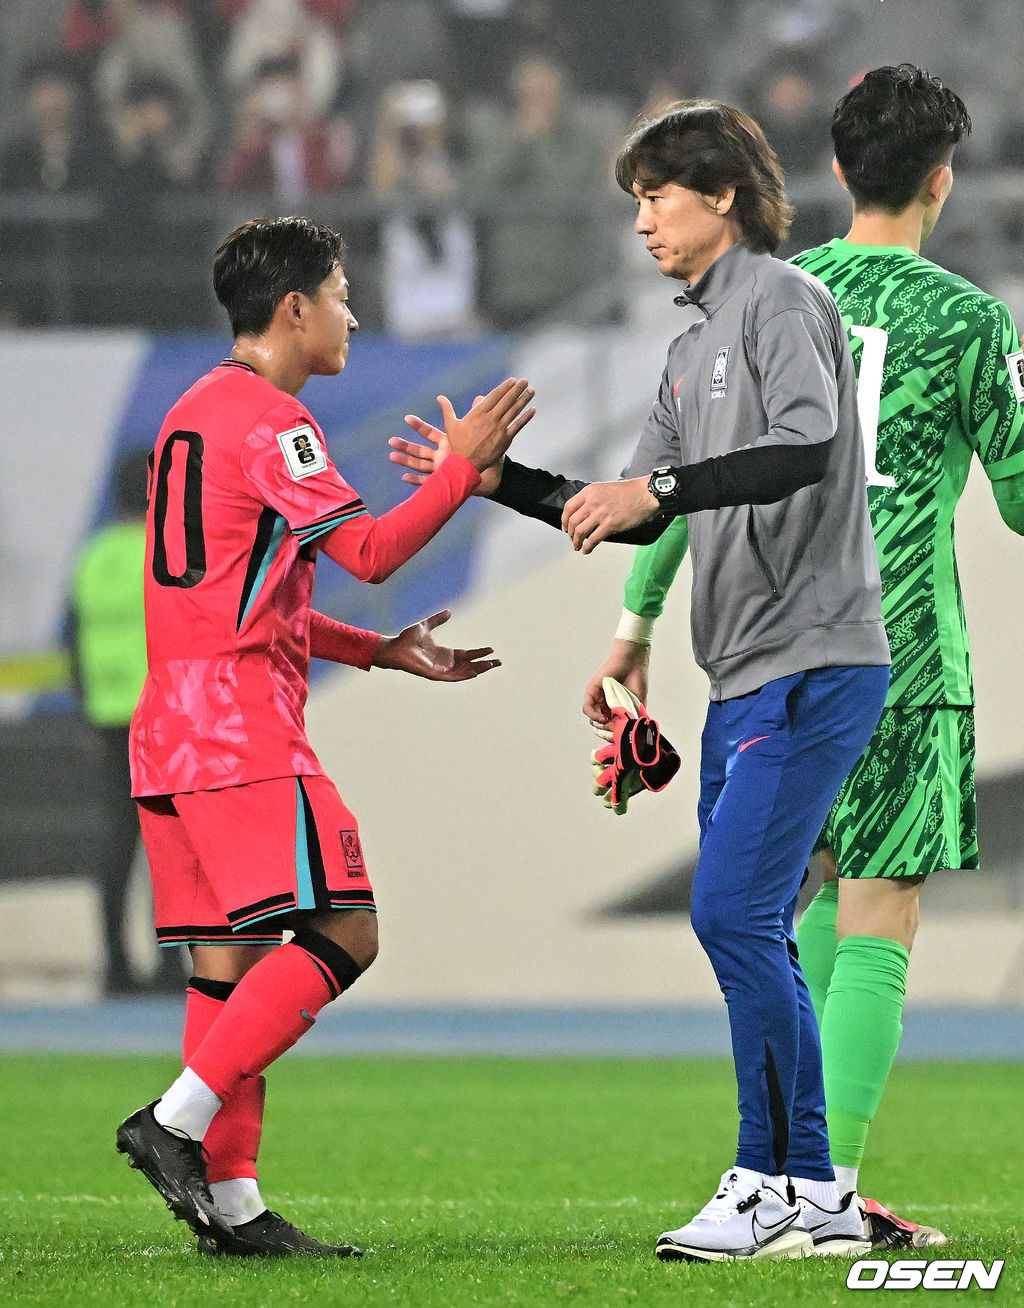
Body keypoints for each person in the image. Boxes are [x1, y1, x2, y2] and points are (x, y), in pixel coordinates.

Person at [390, 100, 892, 1262]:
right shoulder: (688, 345)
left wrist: (657, 496)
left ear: (721, 194)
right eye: (633, 203)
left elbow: (804, 450)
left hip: (815, 658)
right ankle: (809, 1194)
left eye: (656, 196)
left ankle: (769, 1182)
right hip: (746, 673)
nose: (641, 222)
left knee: (730, 913)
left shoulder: (783, 300)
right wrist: (491, 480)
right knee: (752, 921)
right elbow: (615, 508)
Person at [586, 65, 1024, 1250]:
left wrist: (631, 624)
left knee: (799, 901)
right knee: (879, 916)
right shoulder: (972, 322)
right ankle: (827, 1187)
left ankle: (793, 1181)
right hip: (907, 656)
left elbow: (679, 485)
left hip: (779, 645)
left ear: (834, 172)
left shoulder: (770, 293)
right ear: (943, 181)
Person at [115, 216, 534, 1257]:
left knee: (229, 963)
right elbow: (374, 548)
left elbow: (237, 594)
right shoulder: (271, 422)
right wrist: (465, 471)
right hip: (241, 730)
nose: (352, 313)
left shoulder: (190, 414)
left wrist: (375, 654)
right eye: (342, 294)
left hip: (169, 726)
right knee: (347, 931)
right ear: (293, 309)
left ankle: (235, 1208)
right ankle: (172, 1122)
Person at [69, 448, 183, 994]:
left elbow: (74, 641)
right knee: (172, 840)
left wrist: (86, 706)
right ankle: (169, 964)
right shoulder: (161, 551)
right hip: (161, 714)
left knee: (119, 840)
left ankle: (114, 964)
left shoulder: (91, 557)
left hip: (108, 715)